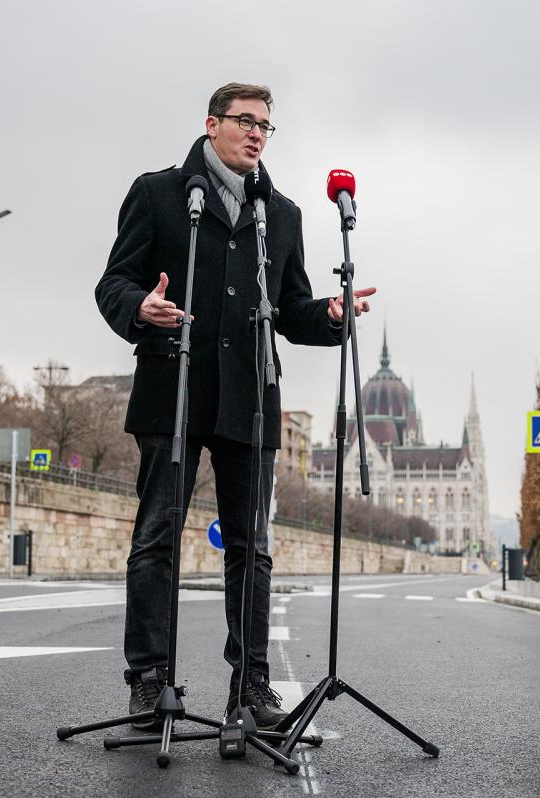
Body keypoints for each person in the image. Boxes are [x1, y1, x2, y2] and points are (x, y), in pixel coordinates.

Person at [94, 83, 374, 730]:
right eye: (245, 122)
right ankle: (149, 681)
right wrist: (138, 306)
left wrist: (330, 316)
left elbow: (293, 309)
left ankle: (250, 689)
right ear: (212, 124)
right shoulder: (161, 194)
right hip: (174, 386)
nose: (256, 134)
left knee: (253, 545)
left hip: (251, 396)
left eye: (265, 126)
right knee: (157, 534)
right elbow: (115, 279)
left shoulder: (285, 214)